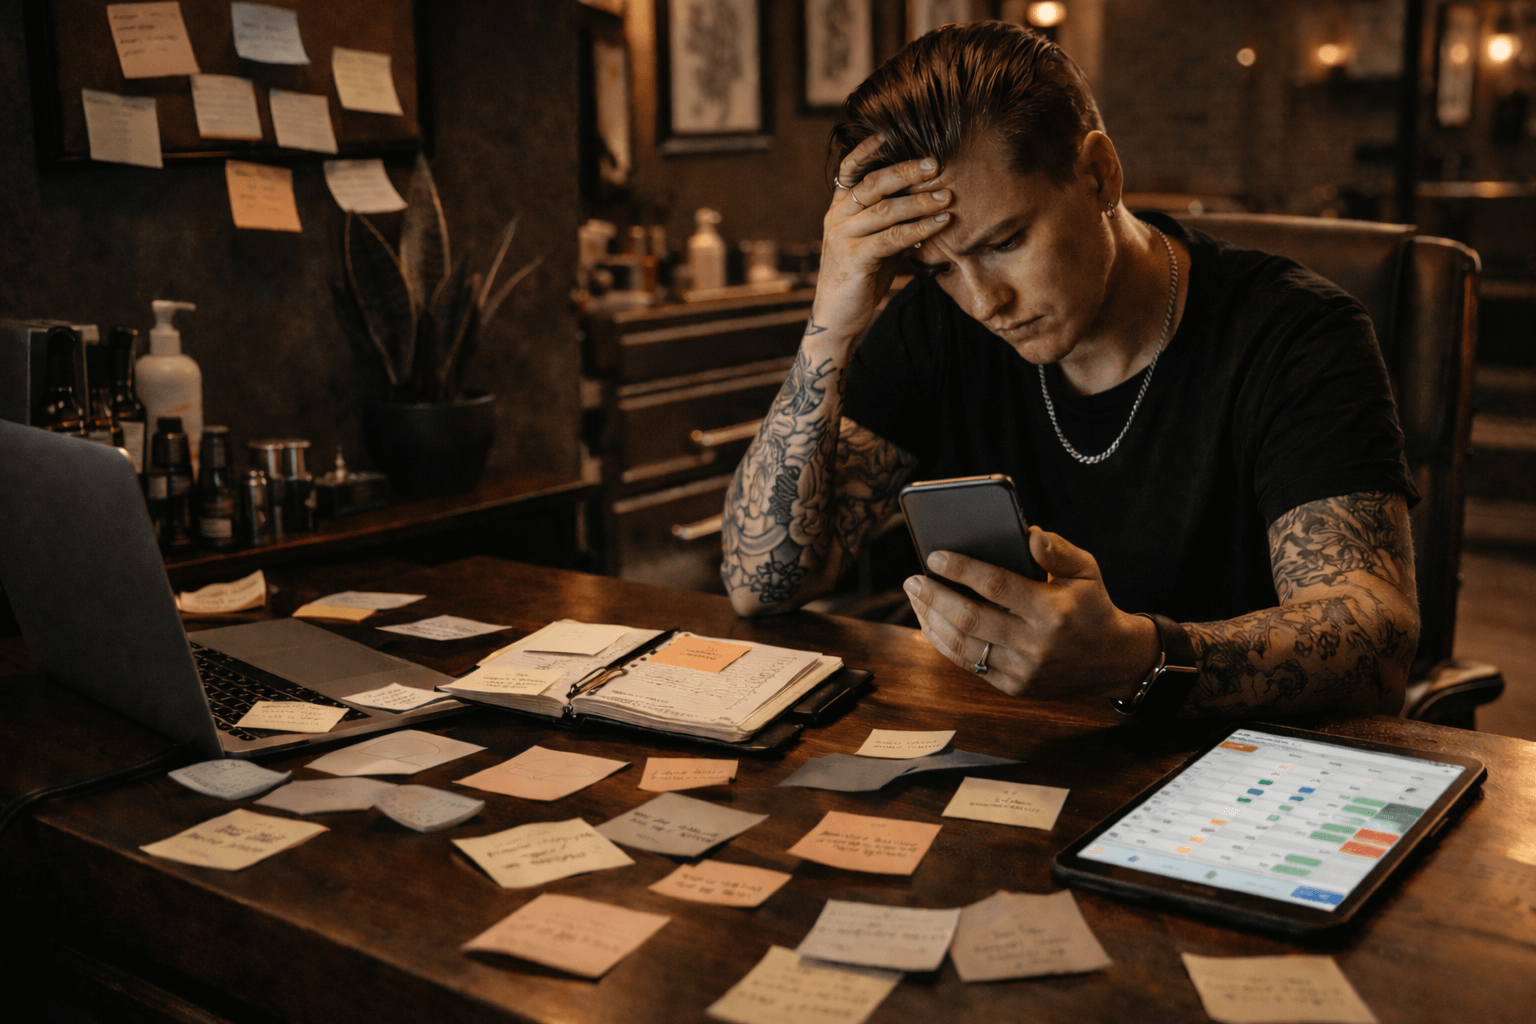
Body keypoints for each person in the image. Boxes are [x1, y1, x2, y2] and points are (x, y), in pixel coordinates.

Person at [719, 21, 1420, 721]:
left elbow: (1375, 640)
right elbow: (761, 584)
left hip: (1236, 772)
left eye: (1007, 241)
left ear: (1099, 175)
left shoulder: (1296, 336)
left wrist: (1136, 656)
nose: (984, 301)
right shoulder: (937, 321)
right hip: (1011, 748)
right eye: (938, 268)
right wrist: (829, 327)